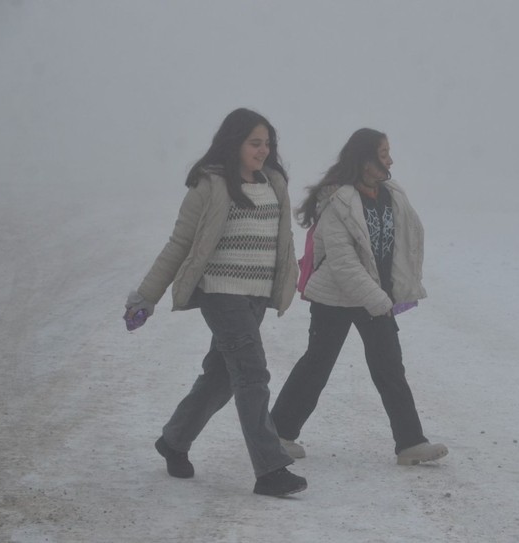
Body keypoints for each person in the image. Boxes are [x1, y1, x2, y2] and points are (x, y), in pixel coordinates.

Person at [123, 108, 307, 497]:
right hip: (221, 293)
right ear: (234, 142)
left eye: (267, 144)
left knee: (222, 376)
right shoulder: (210, 185)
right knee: (252, 374)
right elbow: (179, 245)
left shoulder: (274, 183)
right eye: (254, 143)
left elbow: (284, 240)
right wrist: (146, 297)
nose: (262, 150)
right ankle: (270, 469)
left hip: (256, 297)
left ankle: (174, 440)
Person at [271, 128, 448, 466]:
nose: (390, 160)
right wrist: (379, 300)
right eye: (383, 154)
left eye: (388, 153)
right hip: (335, 297)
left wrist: (398, 286)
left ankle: (411, 443)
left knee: (389, 368)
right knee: (316, 366)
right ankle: (277, 434)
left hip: (375, 296)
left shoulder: (390, 194)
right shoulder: (339, 200)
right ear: (364, 159)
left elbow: (406, 241)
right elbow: (342, 262)